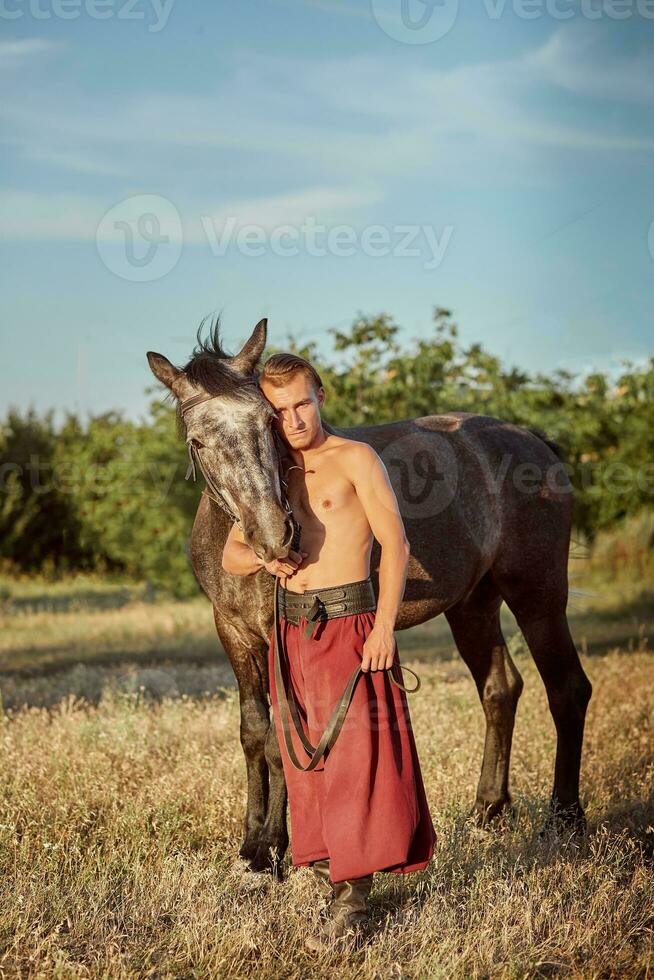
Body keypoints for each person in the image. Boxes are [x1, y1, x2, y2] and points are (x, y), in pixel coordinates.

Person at [221, 352, 436, 951]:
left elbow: (396, 545)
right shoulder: (269, 474)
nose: (293, 420)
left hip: (351, 620)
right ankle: (328, 870)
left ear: (320, 396)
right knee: (306, 761)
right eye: (279, 410)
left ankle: (354, 902)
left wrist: (385, 626)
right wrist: (266, 559)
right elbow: (230, 555)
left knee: (358, 760)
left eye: (301, 404)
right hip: (292, 630)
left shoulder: (355, 459)